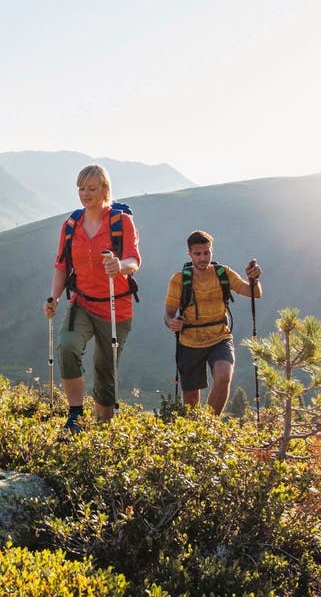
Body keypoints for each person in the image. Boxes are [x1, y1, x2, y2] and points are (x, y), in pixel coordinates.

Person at [43, 164, 141, 432]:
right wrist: (53, 298)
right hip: (82, 303)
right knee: (67, 346)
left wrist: (120, 266)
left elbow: (134, 259)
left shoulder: (121, 223)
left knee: (105, 370)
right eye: (81, 188)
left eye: (92, 188)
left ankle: (102, 430)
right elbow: (62, 265)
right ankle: (75, 415)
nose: (85, 194)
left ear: (105, 189)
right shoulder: (71, 225)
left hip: (115, 307)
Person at [164, 230, 262, 414]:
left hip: (220, 337)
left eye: (206, 252)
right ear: (189, 254)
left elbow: (254, 293)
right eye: (197, 254)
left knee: (224, 376)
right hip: (189, 341)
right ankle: (195, 428)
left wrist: (254, 279)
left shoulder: (223, 273)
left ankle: (210, 424)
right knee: (191, 398)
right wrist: (172, 323)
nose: (203, 258)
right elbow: (168, 314)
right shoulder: (179, 280)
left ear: (211, 251)